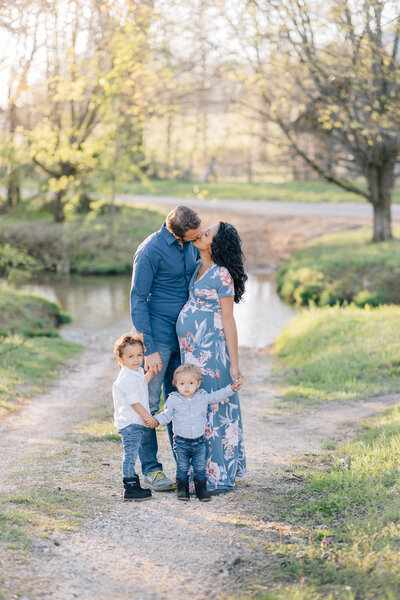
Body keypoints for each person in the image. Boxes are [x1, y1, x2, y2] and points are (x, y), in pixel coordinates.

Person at [130, 205, 202, 491]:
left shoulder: (191, 244)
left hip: (185, 338)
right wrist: (148, 348)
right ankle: (151, 470)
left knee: (182, 401)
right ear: (177, 234)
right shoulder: (150, 251)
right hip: (158, 339)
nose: (196, 240)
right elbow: (137, 299)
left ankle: (184, 470)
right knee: (149, 404)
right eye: (192, 237)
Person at [176, 222, 248, 493]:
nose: (201, 233)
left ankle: (219, 473)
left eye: (207, 233)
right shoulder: (199, 266)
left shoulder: (222, 275)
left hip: (212, 354)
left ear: (216, 245)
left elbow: (229, 321)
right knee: (196, 408)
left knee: (214, 410)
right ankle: (199, 472)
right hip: (192, 353)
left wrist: (235, 364)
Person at [151, 364, 242, 502]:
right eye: (182, 383)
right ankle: (182, 489)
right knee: (182, 467)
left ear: (198, 384)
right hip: (181, 442)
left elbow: (217, 396)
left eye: (191, 383)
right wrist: (155, 420)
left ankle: (201, 489)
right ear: (175, 384)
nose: (186, 387)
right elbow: (166, 415)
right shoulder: (173, 399)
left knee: (200, 467)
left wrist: (231, 389)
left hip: (199, 441)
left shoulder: (202, 397)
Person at [112, 332, 154, 502]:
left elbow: (141, 386)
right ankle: (130, 486)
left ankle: (133, 481)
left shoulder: (135, 372)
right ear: (121, 359)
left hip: (134, 423)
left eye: (139, 355)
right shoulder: (126, 378)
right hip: (130, 423)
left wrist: (149, 374)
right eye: (130, 356)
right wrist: (148, 418)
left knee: (133, 452)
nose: (136, 360)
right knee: (130, 454)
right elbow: (135, 402)